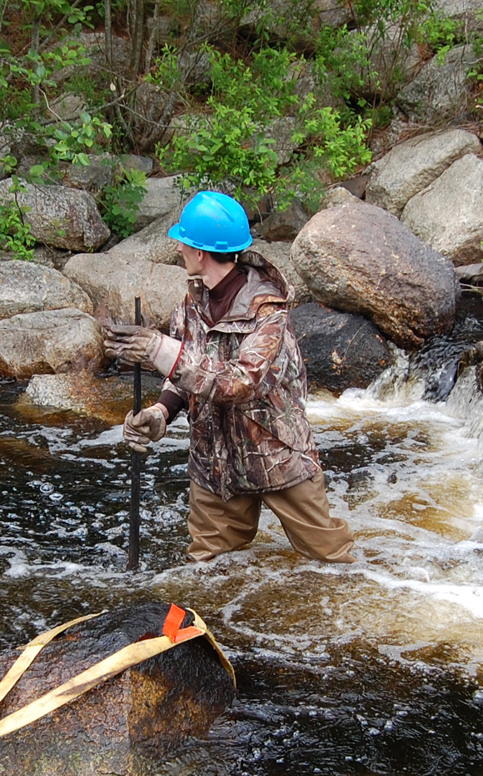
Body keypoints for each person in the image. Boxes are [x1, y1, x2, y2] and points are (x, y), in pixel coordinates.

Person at [102, 190, 354, 564]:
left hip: (275, 456)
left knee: (331, 562)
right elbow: (184, 373)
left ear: (200, 251)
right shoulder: (190, 305)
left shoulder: (269, 313)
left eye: (183, 242)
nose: (178, 249)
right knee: (207, 572)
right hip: (213, 465)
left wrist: (158, 350)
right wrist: (160, 412)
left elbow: (239, 382)